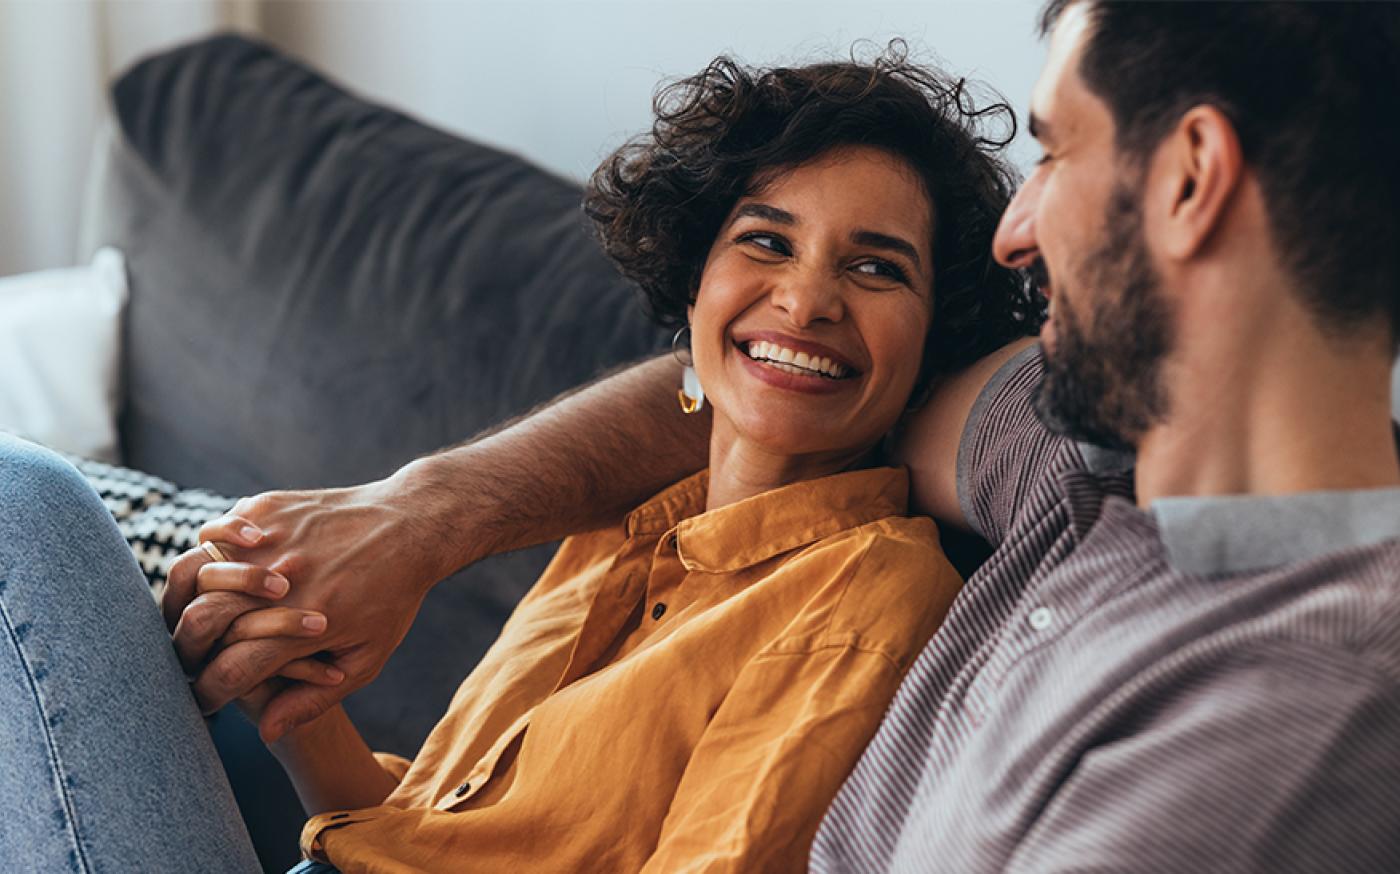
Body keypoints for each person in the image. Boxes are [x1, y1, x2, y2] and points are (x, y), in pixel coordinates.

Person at [170, 1, 1400, 871]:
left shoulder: (1279, 726)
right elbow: (772, 386)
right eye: (763, 243)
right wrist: (418, 517)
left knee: (59, 522)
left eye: (1055, 150)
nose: (1015, 233)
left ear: (1188, 178)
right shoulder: (1062, 459)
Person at [0, 50, 1042, 871]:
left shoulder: (869, 600)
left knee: (25, 505)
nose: (807, 299)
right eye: (766, 242)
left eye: (875, 267)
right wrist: (299, 707)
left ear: (933, 337)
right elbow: (431, 833)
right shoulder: (627, 523)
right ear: (694, 281)